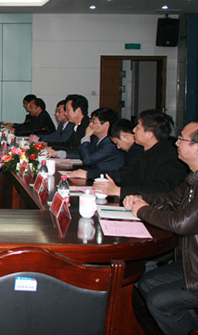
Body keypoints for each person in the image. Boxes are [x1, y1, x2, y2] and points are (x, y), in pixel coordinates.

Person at [123, 119, 198, 335]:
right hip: (192, 263)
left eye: (182, 139)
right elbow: (171, 199)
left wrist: (142, 211)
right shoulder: (192, 178)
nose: (176, 143)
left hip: (194, 267)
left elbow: (182, 224)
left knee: (159, 301)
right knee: (147, 282)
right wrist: (140, 198)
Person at [95, 110, 188, 200]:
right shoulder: (145, 153)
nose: (134, 130)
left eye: (138, 127)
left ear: (149, 134)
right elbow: (129, 178)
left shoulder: (170, 156)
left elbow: (160, 189)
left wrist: (119, 191)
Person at [64, 107, 124, 178]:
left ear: (106, 125)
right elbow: (83, 154)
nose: (90, 124)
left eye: (94, 122)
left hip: (107, 178)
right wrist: (59, 154)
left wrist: (86, 136)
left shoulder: (111, 143)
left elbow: (88, 160)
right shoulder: (97, 139)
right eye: (91, 121)